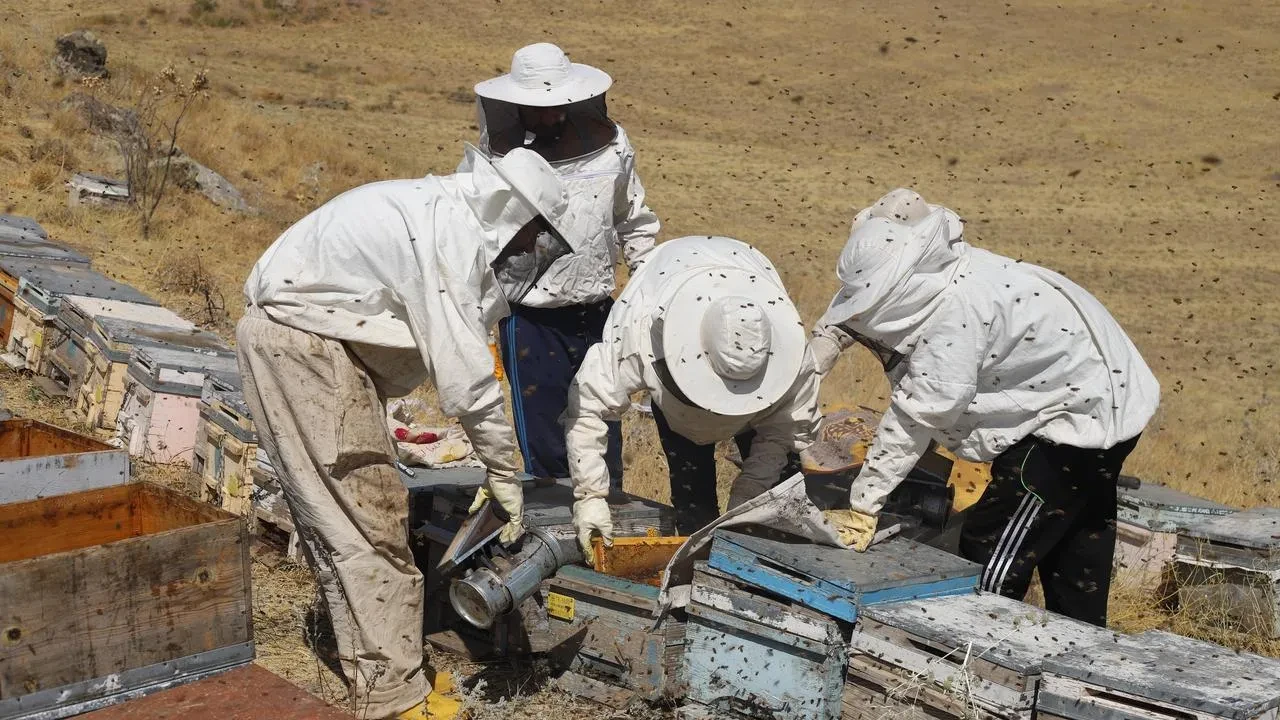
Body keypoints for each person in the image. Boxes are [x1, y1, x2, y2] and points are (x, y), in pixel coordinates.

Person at [238, 147, 578, 720]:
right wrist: (503, 471)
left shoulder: (439, 211)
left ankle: (382, 676)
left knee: (342, 524)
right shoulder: (449, 232)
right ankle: (396, 699)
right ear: (511, 211)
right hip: (305, 352)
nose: (529, 251)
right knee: (370, 522)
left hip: (303, 347)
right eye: (532, 236)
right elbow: (467, 380)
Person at [814, 188, 1159, 626]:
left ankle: (977, 645)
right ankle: (1083, 651)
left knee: (992, 550)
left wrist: (863, 505)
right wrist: (820, 349)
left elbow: (916, 417)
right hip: (1109, 397)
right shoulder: (936, 268)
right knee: (1074, 551)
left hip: (1072, 423)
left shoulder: (957, 311)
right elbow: (858, 304)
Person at [462, 42, 660, 491]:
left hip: (598, 314)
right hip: (530, 320)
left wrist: (646, 289)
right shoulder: (496, 157)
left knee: (601, 431)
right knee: (547, 446)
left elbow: (632, 218)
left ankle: (606, 521)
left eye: (558, 106)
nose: (551, 116)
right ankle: (554, 530)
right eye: (539, 108)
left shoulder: (611, 146)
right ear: (516, 105)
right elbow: (475, 231)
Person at [564, 235, 822, 553]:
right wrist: (590, 496)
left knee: (780, 504)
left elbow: (783, 433)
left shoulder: (794, 360)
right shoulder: (639, 328)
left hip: (758, 396)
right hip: (669, 296)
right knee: (694, 502)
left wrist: (750, 493)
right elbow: (588, 405)